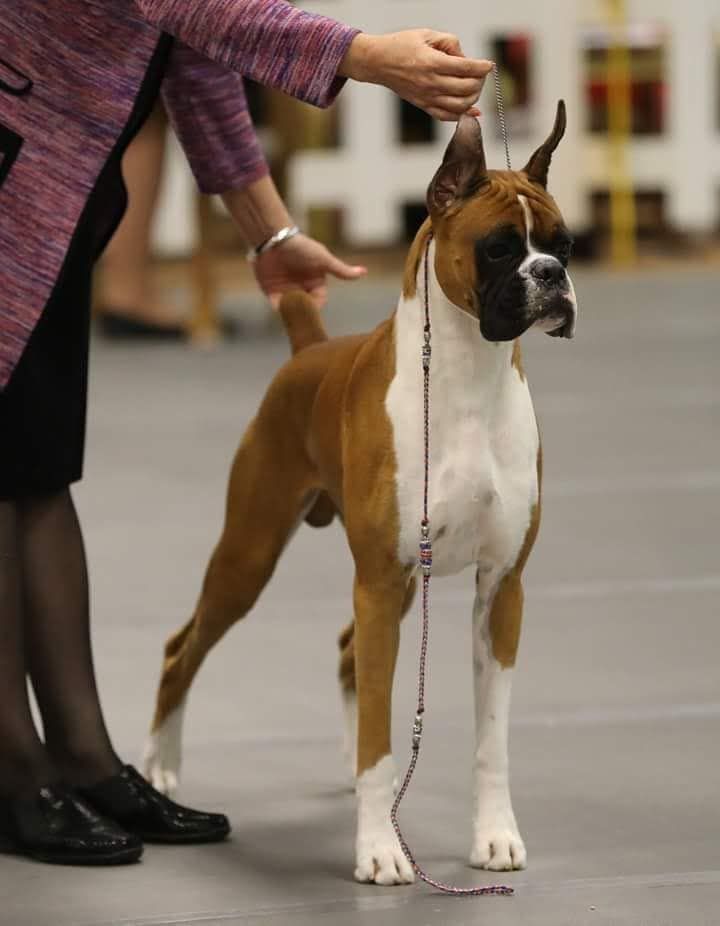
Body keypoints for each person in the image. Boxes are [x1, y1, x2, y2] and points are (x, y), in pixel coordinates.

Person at [0, 0, 492, 866]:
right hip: (18, 166)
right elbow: (194, 7)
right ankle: (11, 768)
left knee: (36, 468)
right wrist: (366, 55)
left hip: (47, 190)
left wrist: (269, 229)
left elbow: (195, 52)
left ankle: (79, 756)